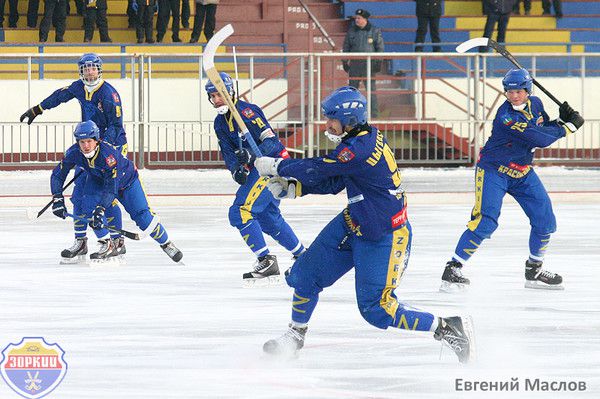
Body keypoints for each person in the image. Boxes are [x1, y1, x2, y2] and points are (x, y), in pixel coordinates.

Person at [254, 86, 474, 362]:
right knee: (304, 276)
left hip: (384, 235)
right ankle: (295, 336)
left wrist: (278, 168)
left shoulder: (359, 148)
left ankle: (446, 326)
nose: (327, 124)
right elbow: (338, 179)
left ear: (348, 120)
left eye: (331, 119)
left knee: (376, 310)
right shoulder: (357, 141)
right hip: (354, 222)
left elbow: (323, 167)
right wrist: (296, 189)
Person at [440, 68, 584, 291]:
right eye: (510, 91)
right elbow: (538, 137)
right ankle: (453, 268)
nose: (514, 95)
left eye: (519, 91)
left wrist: (559, 120)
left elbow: (541, 128)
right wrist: (568, 127)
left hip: (522, 172)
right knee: (486, 220)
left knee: (545, 219)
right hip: (494, 171)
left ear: (528, 90)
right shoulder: (506, 117)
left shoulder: (536, 104)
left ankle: (534, 270)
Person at [20, 53, 128, 263]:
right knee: (79, 195)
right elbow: (60, 96)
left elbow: (116, 126)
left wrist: (100, 150)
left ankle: (117, 241)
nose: (89, 72)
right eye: (85, 68)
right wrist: (38, 108)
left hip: (109, 147)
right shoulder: (79, 87)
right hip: (88, 146)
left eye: (92, 68)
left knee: (107, 195)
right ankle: (81, 241)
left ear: (99, 69)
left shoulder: (109, 94)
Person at [205, 72, 305, 286]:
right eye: (212, 97)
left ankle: (265, 260)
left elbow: (271, 142)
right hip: (258, 168)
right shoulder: (220, 123)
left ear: (230, 92)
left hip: (272, 164)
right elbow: (228, 151)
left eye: (218, 95)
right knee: (268, 217)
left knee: (240, 211)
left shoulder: (248, 112)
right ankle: (303, 256)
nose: (215, 101)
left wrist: (251, 155)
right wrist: (235, 169)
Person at [50, 121, 183, 263]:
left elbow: (111, 188)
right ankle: (107, 243)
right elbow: (58, 175)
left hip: (127, 182)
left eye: (89, 141)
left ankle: (167, 244)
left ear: (97, 140)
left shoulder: (109, 156)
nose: (86, 146)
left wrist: (100, 208)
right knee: (87, 205)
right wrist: (57, 198)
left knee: (143, 217)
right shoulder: (74, 152)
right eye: (82, 142)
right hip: (100, 180)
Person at [342, 9, 384, 117]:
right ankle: (351, 114)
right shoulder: (351, 31)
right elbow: (346, 47)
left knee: (371, 90)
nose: (356, 20)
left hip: (369, 65)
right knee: (352, 91)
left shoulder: (374, 31)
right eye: (356, 18)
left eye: (359, 18)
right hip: (355, 64)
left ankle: (374, 114)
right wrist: (345, 61)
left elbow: (380, 47)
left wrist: (378, 62)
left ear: (365, 19)